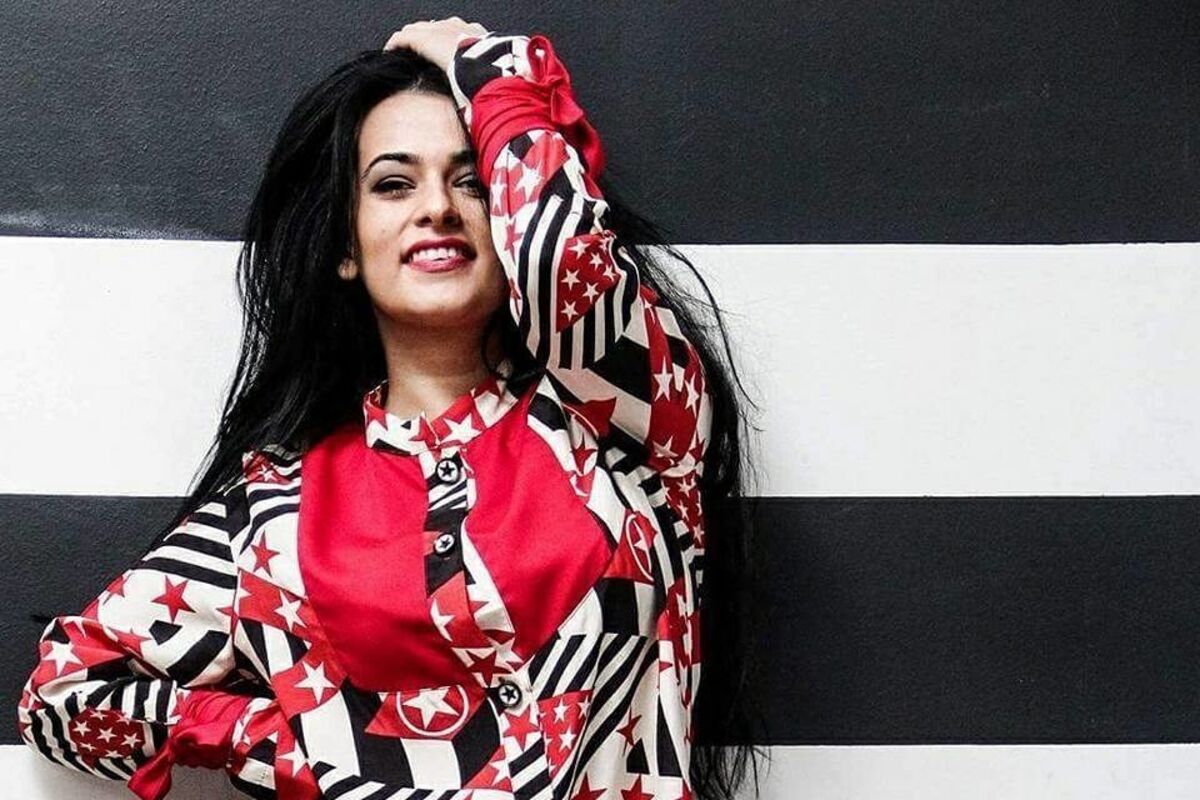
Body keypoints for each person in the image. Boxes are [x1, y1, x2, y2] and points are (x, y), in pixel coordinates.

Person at [18, 17, 765, 800]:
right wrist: (281, 745)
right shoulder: (275, 513)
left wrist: (488, 72)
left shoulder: (629, 423)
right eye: (394, 184)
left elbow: (561, 262)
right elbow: (63, 692)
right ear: (346, 246)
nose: (437, 207)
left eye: (472, 180)